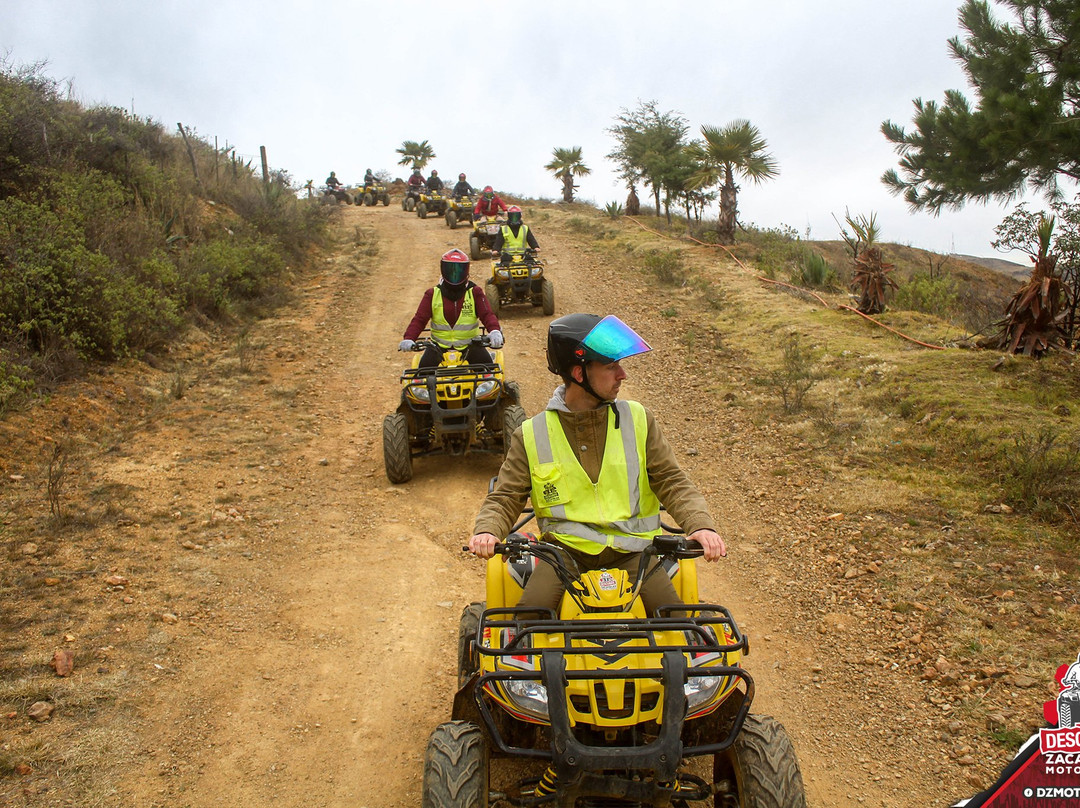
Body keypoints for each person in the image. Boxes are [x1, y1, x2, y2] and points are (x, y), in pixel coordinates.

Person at [468, 313, 726, 616]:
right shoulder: (531, 434)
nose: (622, 375)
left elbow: (671, 479)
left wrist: (700, 525)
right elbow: (507, 495)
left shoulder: (639, 419)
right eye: (611, 366)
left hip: (635, 554)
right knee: (527, 627)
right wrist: (488, 530)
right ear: (579, 373)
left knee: (678, 626)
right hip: (563, 555)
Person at [399, 249, 503, 369]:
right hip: (438, 348)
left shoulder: (475, 292)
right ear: (443, 270)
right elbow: (419, 319)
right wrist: (409, 338)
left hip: (471, 346)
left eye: (459, 270)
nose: (455, 275)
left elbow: (487, 314)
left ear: (466, 271)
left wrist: (495, 330)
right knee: (421, 378)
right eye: (451, 270)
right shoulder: (432, 294)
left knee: (491, 374)